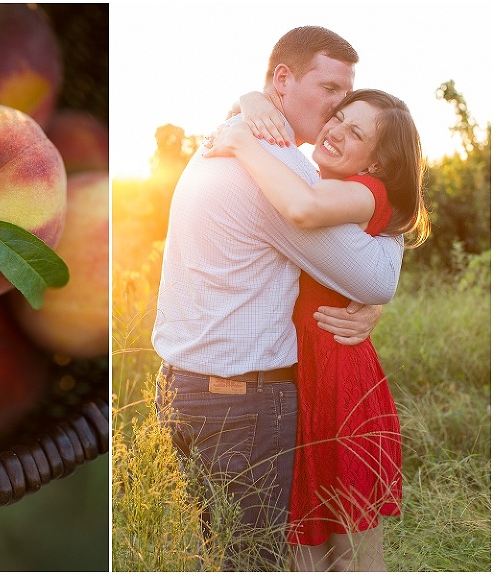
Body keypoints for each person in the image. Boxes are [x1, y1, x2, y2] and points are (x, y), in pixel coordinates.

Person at [151, 26, 403, 570]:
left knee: (239, 556)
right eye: (331, 90)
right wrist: (374, 296)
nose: (338, 110)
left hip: (192, 389)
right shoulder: (274, 166)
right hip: (241, 403)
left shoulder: (242, 140)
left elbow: (360, 264)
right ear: (282, 80)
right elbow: (374, 278)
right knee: (254, 561)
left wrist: (244, 110)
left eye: (346, 97)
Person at [204, 88, 430, 571]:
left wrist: (242, 141)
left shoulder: (361, 192)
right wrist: (248, 99)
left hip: (335, 376)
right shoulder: (324, 185)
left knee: (350, 551)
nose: (335, 131)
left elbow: (302, 208)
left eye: (356, 132)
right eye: (339, 117)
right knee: (303, 543)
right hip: (295, 374)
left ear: (377, 162)